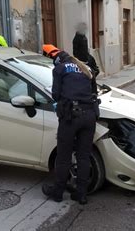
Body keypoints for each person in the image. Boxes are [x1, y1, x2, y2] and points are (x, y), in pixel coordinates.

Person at [41, 44, 99, 205]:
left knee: (64, 156)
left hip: (70, 117)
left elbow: (56, 94)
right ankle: (81, 194)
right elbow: (94, 92)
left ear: (57, 61)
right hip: (89, 116)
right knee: (83, 156)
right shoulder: (86, 69)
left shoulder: (59, 69)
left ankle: (58, 193)